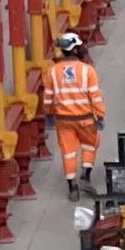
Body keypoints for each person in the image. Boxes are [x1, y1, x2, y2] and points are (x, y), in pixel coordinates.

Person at [45, 32, 105, 199]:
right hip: (85, 118)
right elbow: (95, 96)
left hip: (63, 120)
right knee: (90, 145)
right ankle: (85, 175)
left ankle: (72, 187)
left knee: (68, 152)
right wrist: (100, 116)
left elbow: (48, 96)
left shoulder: (52, 72)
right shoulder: (88, 71)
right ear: (75, 49)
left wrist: (49, 114)